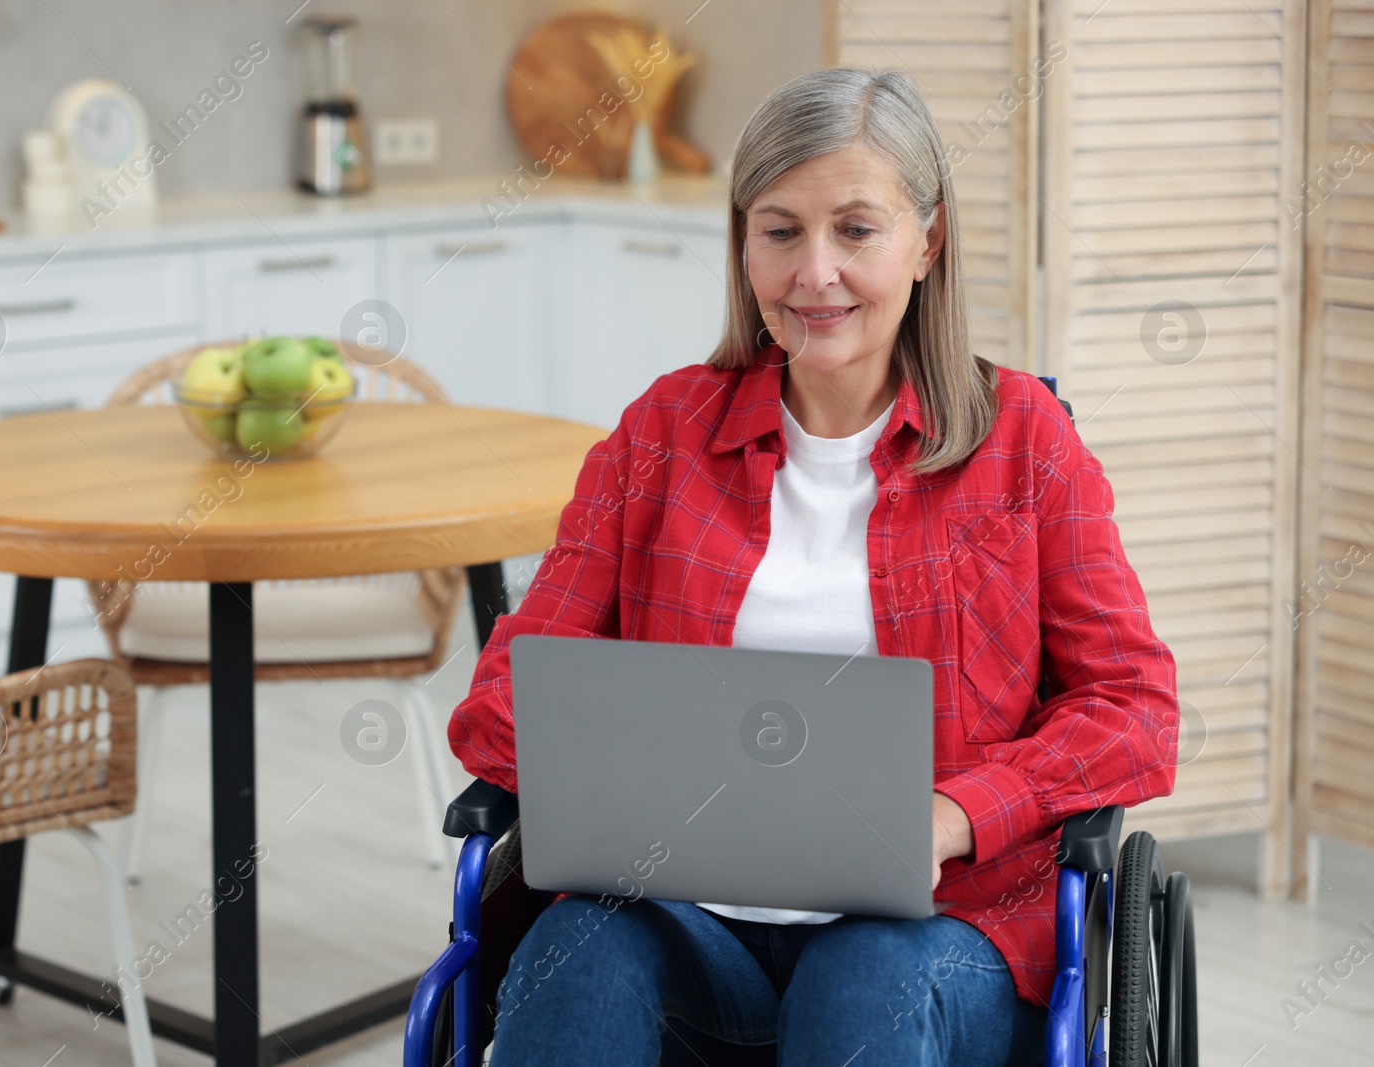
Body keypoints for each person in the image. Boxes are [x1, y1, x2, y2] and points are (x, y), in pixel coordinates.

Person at [447, 67, 1179, 1067]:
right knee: (577, 947)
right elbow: (503, 693)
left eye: (856, 229)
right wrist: (608, 781)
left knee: (861, 977)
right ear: (742, 242)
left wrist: (956, 811)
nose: (814, 271)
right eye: (779, 229)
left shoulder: (1023, 442)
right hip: (689, 922)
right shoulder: (661, 433)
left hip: (937, 933)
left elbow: (1133, 706)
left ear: (929, 240)